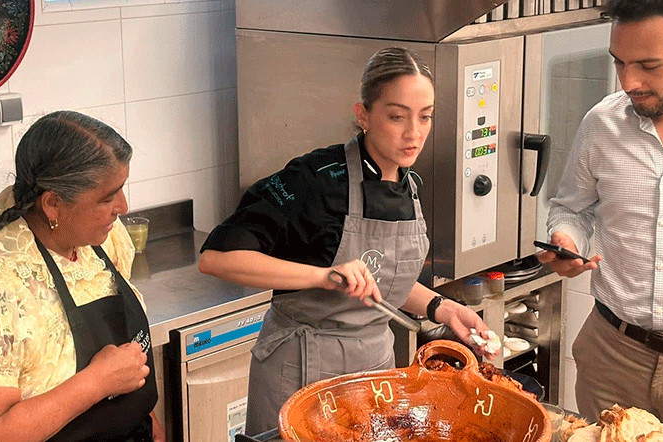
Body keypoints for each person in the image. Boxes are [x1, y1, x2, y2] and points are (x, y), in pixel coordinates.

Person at [198, 47, 496, 434]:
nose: (414, 133)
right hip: (302, 370)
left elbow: (381, 283)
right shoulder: (314, 180)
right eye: (396, 116)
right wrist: (323, 276)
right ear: (363, 115)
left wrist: (442, 308)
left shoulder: (409, 186)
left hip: (374, 375)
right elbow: (217, 259)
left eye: (425, 118)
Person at [0, 111, 165, 441]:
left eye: (121, 189)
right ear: (52, 204)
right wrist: (96, 382)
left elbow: (127, 365)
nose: (122, 205)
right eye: (107, 197)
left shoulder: (101, 239)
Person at [537, 0, 663, 422]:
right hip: (613, 354)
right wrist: (565, 239)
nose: (628, 81)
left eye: (648, 66)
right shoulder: (602, 123)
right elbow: (571, 209)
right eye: (619, 61)